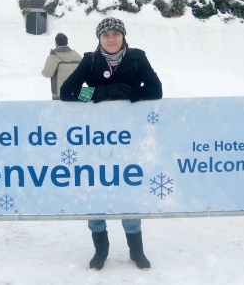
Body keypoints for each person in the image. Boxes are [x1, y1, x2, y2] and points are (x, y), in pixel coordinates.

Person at [60, 17, 162, 270]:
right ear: (99, 39)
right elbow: (67, 91)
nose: (111, 38)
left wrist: (133, 93)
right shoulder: (90, 60)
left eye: (116, 33)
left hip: (129, 138)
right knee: (96, 188)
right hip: (96, 138)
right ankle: (101, 249)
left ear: (123, 36)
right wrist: (98, 93)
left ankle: (136, 250)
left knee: (128, 188)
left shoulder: (137, 57)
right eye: (106, 35)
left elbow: (156, 90)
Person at [41, 33, 82, 100]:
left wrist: (42, 72)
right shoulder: (77, 56)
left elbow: (47, 74)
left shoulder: (53, 57)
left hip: (59, 94)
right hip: (75, 94)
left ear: (56, 43)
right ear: (67, 42)